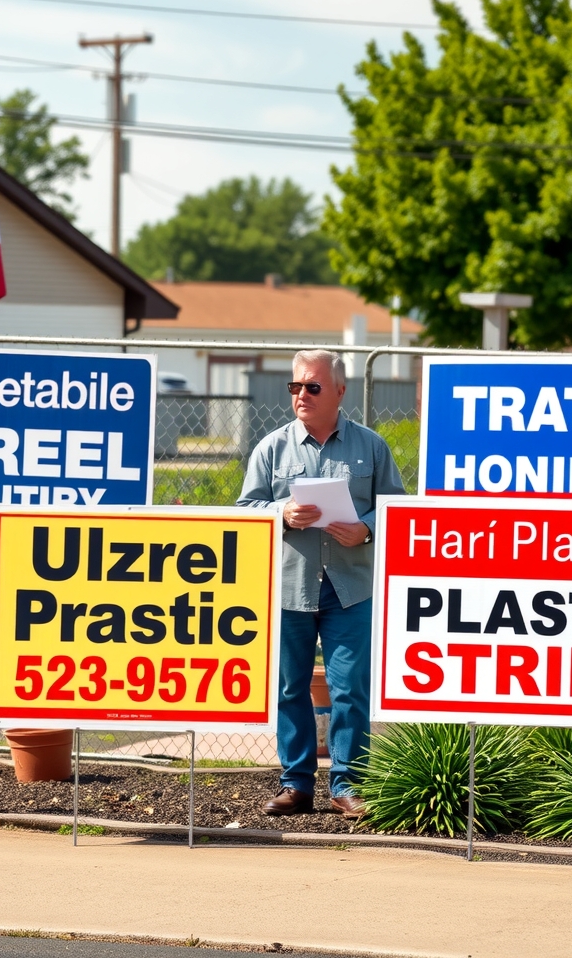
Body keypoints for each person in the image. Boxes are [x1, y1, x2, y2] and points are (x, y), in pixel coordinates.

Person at [236, 349, 405, 818]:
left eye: (312, 387)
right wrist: (281, 514)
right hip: (290, 588)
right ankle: (296, 786)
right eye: (295, 387)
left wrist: (366, 528)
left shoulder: (371, 447)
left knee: (349, 687)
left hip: (350, 588)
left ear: (339, 392)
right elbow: (244, 510)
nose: (301, 396)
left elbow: (399, 512)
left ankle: (348, 785)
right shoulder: (271, 448)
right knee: (290, 687)